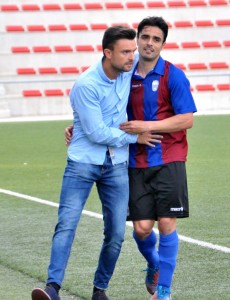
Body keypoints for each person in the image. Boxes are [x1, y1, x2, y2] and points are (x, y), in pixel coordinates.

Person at [66, 17, 197, 300]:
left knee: (166, 223)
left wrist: (147, 127)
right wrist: (77, 127)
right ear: (137, 40)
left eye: (156, 39)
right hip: (134, 160)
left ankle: (163, 292)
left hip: (169, 158)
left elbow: (186, 119)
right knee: (140, 229)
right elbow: (101, 107)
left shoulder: (172, 75)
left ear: (163, 43)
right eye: (145, 37)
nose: (150, 43)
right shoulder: (125, 74)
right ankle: (154, 265)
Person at [31, 26, 161, 300]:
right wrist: (135, 137)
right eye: (126, 52)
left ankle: (99, 290)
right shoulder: (86, 84)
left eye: (132, 51)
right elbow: (96, 132)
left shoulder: (128, 69)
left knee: (115, 233)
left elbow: (153, 58)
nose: (132, 57)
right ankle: (52, 288)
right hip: (82, 164)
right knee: (66, 224)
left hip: (116, 166)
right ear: (107, 53)